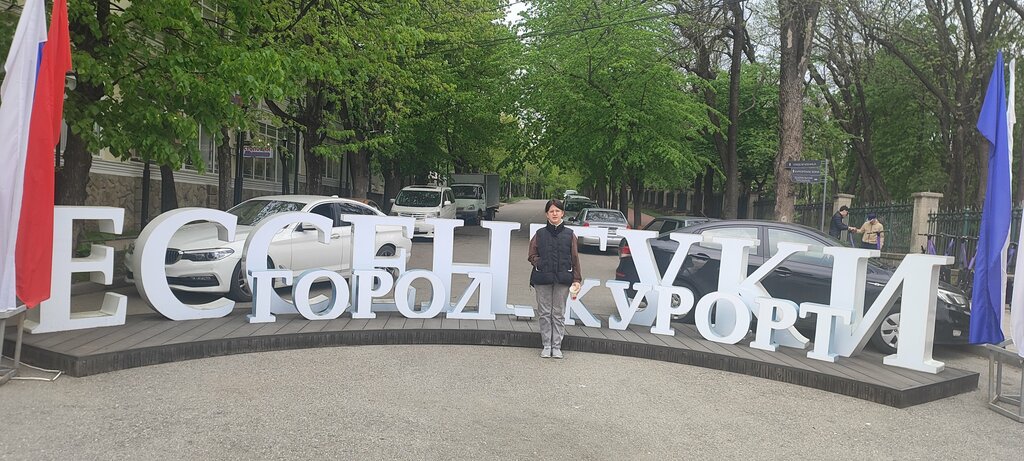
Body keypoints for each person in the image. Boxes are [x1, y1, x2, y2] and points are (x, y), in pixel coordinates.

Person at [527, 199, 582, 359]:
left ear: (562, 213)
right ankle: (546, 345)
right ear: (547, 214)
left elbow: (575, 257)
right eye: (551, 211)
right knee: (544, 312)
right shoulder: (540, 234)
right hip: (542, 278)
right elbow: (531, 254)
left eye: (557, 211)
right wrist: (540, 262)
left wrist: (577, 279)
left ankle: (556, 346)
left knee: (558, 313)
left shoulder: (570, 235)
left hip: (563, 278)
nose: (554, 214)